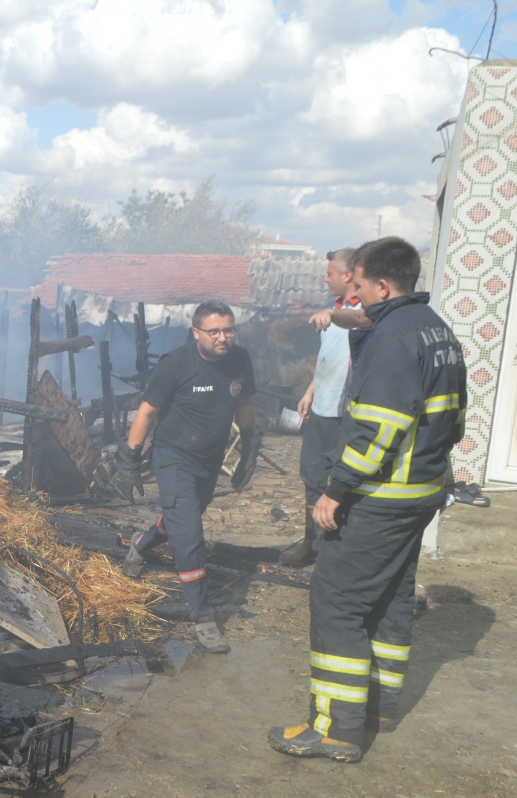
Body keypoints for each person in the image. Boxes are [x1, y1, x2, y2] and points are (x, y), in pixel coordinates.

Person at [268, 237, 466, 763]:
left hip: (381, 499)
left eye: (355, 286)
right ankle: (378, 707)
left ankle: (334, 728)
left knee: (337, 601)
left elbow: (379, 430)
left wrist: (335, 491)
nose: (349, 295)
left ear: (381, 285)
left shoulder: (393, 339)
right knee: (389, 598)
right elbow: (455, 421)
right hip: (421, 493)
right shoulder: (435, 329)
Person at [116, 300, 260, 654]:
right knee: (190, 538)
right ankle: (204, 617)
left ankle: (140, 545)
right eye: (214, 331)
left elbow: (245, 407)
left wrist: (248, 451)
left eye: (228, 329)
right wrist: (130, 461)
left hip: (208, 461)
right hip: (173, 457)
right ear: (196, 332)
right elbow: (147, 412)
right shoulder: (176, 365)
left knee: (182, 523)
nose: (223, 337)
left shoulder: (240, 359)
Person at [282, 248, 364, 567]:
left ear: (348, 276)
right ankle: (310, 543)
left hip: (344, 415)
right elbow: (326, 359)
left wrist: (332, 316)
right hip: (321, 409)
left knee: (340, 480)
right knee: (312, 475)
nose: (325, 277)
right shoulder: (336, 309)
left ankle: (336, 549)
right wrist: (310, 391)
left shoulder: (363, 314)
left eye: (330, 272)